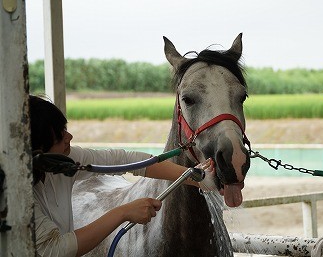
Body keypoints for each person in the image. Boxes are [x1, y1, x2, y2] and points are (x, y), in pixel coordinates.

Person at [29, 95, 215, 257]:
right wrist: (123, 212)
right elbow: (54, 249)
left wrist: (195, 178)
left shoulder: (63, 159)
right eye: (60, 136)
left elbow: (126, 160)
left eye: (65, 129)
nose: (69, 136)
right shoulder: (20, 194)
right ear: (38, 152)